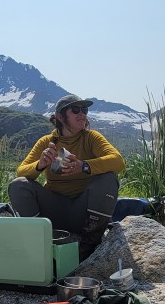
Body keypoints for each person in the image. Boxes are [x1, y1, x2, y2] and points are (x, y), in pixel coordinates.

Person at [8, 95, 125, 262]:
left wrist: (83, 166)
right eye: (75, 110)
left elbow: (118, 161)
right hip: (54, 210)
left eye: (84, 110)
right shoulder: (47, 142)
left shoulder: (92, 138)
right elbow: (21, 172)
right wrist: (40, 164)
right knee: (19, 185)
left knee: (108, 178)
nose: (82, 114)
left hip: (84, 212)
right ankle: (39, 240)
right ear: (60, 117)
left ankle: (89, 245)